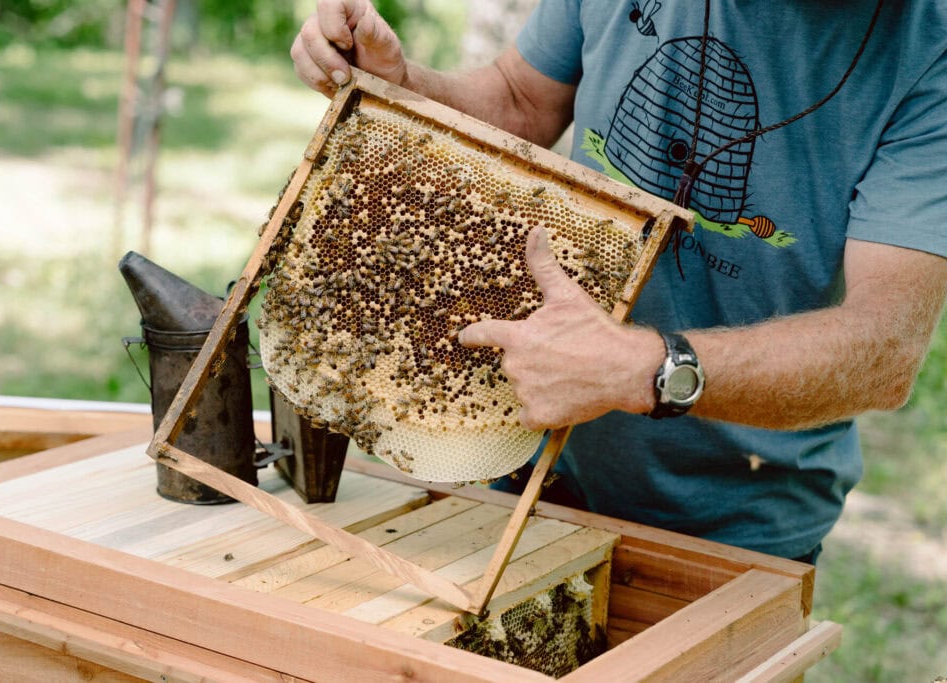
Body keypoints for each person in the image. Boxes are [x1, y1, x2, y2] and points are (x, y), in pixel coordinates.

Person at [290, 0, 947, 562]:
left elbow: (883, 347)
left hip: (738, 524)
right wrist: (401, 85)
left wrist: (643, 367)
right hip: (535, 462)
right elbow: (521, 103)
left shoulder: (929, 50)